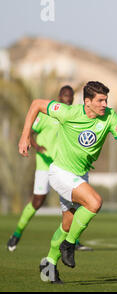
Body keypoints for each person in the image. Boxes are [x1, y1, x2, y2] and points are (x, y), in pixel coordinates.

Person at [18, 81, 117, 283]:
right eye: (100, 100)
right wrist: (25, 135)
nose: (104, 104)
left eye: (106, 100)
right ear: (87, 102)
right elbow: (36, 104)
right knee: (95, 202)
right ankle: (69, 244)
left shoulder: (110, 116)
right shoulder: (68, 112)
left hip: (81, 175)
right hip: (60, 172)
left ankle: (49, 264)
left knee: (67, 223)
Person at [7, 86, 91, 252]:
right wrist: (37, 146)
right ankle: (17, 234)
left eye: (70, 96)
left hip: (65, 167)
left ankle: (73, 240)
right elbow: (30, 130)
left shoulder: (73, 114)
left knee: (75, 202)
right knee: (38, 201)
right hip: (45, 165)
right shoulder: (47, 115)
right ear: (59, 96)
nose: (68, 98)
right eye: (65, 95)